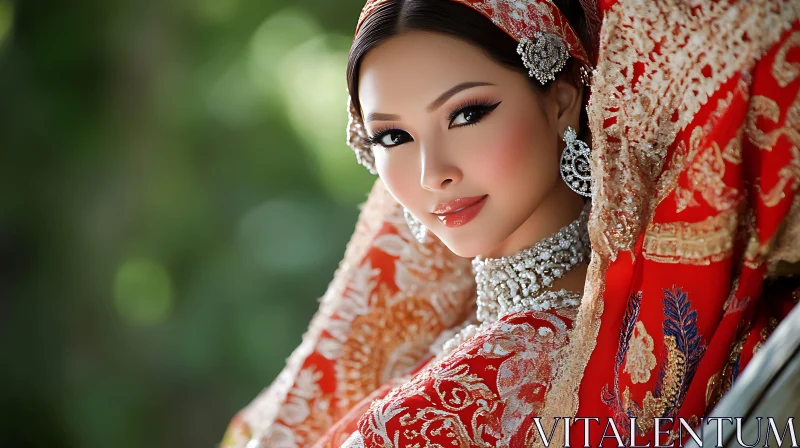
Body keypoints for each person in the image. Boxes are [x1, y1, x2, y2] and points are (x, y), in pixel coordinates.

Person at [221, 0, 800, 446]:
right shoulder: (515, 343)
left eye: (467, 113)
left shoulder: (504, 367)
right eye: (392, 136)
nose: (432, 173)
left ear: (562, 101)